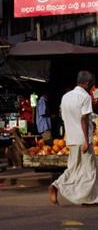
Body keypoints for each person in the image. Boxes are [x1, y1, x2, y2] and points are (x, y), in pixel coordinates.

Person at [49, 71, 98, 205]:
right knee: (90, 169)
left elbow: (65, 117)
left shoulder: (66, 97)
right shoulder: (85, 97)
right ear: (87, 83)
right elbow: (84, 119)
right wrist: (87, 140)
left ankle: (57, 186)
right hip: (82, 139)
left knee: (74, 168)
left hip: (71, 137)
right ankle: (89, 198)